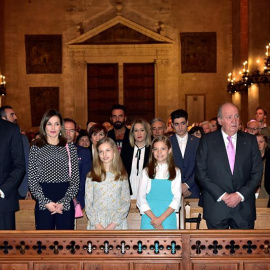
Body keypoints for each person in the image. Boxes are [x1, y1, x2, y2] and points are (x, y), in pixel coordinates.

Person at [196, 103, 263, 229]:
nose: (234, 121)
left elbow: (257, 172)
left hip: (243, 208)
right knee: (216, 248)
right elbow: (201, 173)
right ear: (220, 120)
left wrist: (240, 195)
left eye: (237, 116)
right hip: (216, 206)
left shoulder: (250, 141)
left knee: (244, 248)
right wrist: (223, 196)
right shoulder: (207, 141)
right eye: (229, 117)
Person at [28, 110, 80, 230]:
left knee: (66, 243)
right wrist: (45, 201)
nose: (53, 127)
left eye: (56, 124)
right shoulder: (36, 148)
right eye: (49, 123)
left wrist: (64, 202)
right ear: (44, 125)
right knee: (44, 242)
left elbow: (75, 180)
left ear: (60, 126)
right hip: (43, 198)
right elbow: (32, 179)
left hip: (65, 198)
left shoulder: (70, 148)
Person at [85, 137, 130, 230]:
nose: (104, 154)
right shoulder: (91, 175)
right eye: (101, 151)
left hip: (116, 222)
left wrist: (113, 224)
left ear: (114, 151)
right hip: (97, 221)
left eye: (107, 150)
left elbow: (125, 201)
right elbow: (88, 203)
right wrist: (97, 224)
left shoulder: (122, 175)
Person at [137, 136, 181, 229]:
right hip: (149, 219)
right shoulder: (146, 171)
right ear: (152, 151)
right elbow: (141, 198)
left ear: (169, 150)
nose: (159, 152)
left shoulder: (176, 171)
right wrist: (154, 219)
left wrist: (161, 219)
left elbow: (177, 199)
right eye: (156, 149)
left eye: (163, 149)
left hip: (168, 219)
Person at [0, 105, 30, 199]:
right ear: (3, 118)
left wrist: (28, 188)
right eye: (12, 115)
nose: (16, 117)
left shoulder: (22, 138)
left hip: (20, 189)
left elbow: (25, 163)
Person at [0, 118, 25, 230]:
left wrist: (2, 189)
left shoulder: (10, 129)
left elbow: (19, 166)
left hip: (3, 201)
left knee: (5, 245)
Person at [170, 109, 201, 198]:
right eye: (177, 124)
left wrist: (186, 185)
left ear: (187, 123)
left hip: (194, 189)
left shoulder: (198, 142)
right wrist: (178, 187)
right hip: (172, 189)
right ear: (172, 125)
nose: (180, 127)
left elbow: (201, 167)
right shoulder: (167, 143)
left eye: (182, 123)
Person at [64, 118, 92, 209]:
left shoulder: (84, 152)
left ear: (76, 132)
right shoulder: (51, 152)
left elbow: (85, 178)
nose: (68, 134)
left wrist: (74, 197)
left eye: (71, 130)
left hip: (77, 199)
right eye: (65, 130)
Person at [121, 118, 151, 199]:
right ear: (132, 133)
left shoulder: (152, 150)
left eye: (142, 130)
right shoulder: (126, 149)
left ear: (147, 132)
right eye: (136, 130)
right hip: (129, 188)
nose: (139, 133)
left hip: (147, 189)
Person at [255, 134, 270, 203]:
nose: (258, 144)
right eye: (256, 142)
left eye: (261, 142)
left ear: (265, 144)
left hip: (266, 192)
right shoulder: (246, 158)